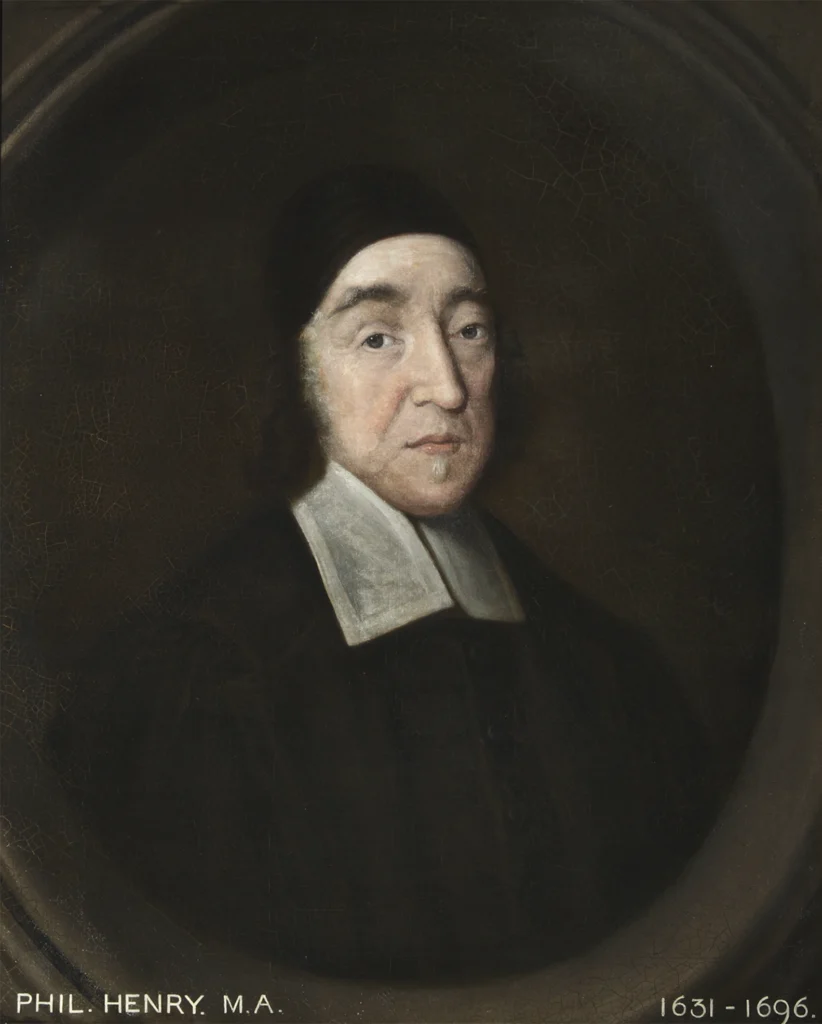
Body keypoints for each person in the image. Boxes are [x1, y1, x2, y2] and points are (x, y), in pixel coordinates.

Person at [48, 165, 717, 983]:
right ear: (299, 372)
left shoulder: (606, 665)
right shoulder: (201, 671)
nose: (447, 386)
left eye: (469, 330)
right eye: (377, 338)